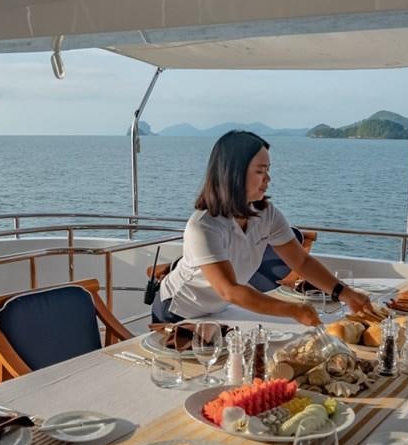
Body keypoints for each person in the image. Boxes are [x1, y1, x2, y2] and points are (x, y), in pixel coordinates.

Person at [152, 130, 379, 326]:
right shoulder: (203, 226)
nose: (268, 179)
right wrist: (293, 310)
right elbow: (229, 289)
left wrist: (345, 293)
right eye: (260, 171)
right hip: (178, 311)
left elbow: (301, 262)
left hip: (218, 310)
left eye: (267, 170)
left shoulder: (266, 213)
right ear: (233, 173)